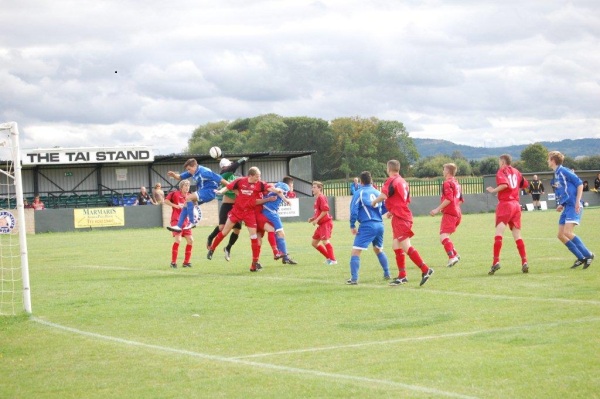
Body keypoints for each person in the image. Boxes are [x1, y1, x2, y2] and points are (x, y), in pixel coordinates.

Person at [207, 167, 286, 272]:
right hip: (237, 211)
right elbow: (228, 187)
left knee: (254, 237)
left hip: (249, 213)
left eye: (259, 176)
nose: (259, 178)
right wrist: (221, 191)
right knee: (224, 231)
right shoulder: (240, 181)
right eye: (257, 176)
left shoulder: (259, 184)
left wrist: (277, 190)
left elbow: (269, 188)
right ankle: (212, 249)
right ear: (250, 176)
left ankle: (254, 264)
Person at [372, 160, 434, 286]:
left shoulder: (391, 180)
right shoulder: (403, 181)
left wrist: (374, 202)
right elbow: (404, 200)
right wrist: (392, 211)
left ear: (388, 168)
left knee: (406, 246)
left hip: (401, 217)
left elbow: (384, 195)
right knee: (396, 245)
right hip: (400, 215)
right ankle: (402, 276)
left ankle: (426, 269)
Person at [547, 151, 594, 269]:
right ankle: (581, 257)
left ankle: (588, 254)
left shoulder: (563, 171)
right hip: (567, 206)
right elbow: (567, 190)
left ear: (553, 160)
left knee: (567, 232)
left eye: (548, 159)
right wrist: (561, 204)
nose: (547, 161)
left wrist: (578, 201)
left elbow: (579, 184)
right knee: (561, 235)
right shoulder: (557, 173)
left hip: (573, 205)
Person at [486, 154, 530, 275]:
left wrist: (493, 190)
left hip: (505, 204)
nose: (499, 163)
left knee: (499, 233)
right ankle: (524, 261)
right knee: (517, 235)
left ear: (503, 162)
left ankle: (496, 261)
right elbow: (525, 185)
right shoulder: (516, 171)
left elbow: (505, 185)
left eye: (499, 161)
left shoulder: (502, 171)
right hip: (516, 205)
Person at [346, 171, 390, 285]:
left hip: (367, 225)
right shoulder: (377, 192)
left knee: (355, 251)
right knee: (378, 249)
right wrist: (378, 213)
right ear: (371, 181)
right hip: (380, 224)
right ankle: (387, 273)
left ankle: (354, 278)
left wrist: (352, 225)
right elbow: (385, 206)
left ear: (360, 181)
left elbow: (354, 210)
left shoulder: (359, 193)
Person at [166, 158, 229, 232]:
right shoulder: (193, 172)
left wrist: (231, 185)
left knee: (188, 198)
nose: (188, 171)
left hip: (209, 191)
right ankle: (179, 226)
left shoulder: (204, 172)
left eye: (189, 169)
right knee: (186, 204)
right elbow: (179, 177)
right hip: (203, 191)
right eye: (187, 170)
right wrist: (173, 175)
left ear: (194, 166)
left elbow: (220, 179)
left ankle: (192, 222)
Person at [206, 157, 249, 261]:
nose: (229, 167)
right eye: (228, 165)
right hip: (227, 204)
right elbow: (231, 169)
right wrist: (240, 160)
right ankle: (211, 237)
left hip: (237, 207)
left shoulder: (236, 176)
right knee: (222, 228)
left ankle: (228, 247)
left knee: (237, 230)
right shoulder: (224, 174)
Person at [429, 163, 463, 267]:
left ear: (448, 171)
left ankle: (452, 257)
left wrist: (437, 209)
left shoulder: (447, 183)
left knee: (443, 237)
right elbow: (460, 200)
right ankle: (456, 255)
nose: (443, 171)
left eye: (444, 169)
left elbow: (449, 199)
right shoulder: (457, 183)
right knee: (446, 236)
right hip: (457, 213)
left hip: (450, 214)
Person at [257, 176, 296, 265]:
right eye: (292, 185)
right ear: (290, 184)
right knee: (280, 233)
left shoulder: (279, 183)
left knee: (271, 232)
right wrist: (286, 199)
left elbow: (275, 188)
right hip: (270, 211)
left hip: (265, 210)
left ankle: (281, 254)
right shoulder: (285, 186)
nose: (292, 187)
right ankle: (283, 255)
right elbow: (278, 190)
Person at [164, 180, 194, 268]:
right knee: (178, 240)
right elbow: (166, 201)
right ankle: (173, 263)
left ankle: (186, 262)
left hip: (186, 222)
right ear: (181, 187)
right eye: (185, 185)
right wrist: (175, 205)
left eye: (188, 185)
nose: (187, 187)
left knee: (191, 240)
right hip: (176, 220)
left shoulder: (189, 196)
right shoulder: (175, 194)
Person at [308, 181, 337, 265]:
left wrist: (316, 220)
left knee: (325, 241)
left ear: (319, 188)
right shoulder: (317, 198)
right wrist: (313, 218)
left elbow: (325, 210)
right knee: (314, 243)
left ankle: (333, 260)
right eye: (312, 187)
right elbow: (319, 212)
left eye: (314, 187)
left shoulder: (321, 197)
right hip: (321, 224)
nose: (312, 189)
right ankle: (329, 258)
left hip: (325, 223)